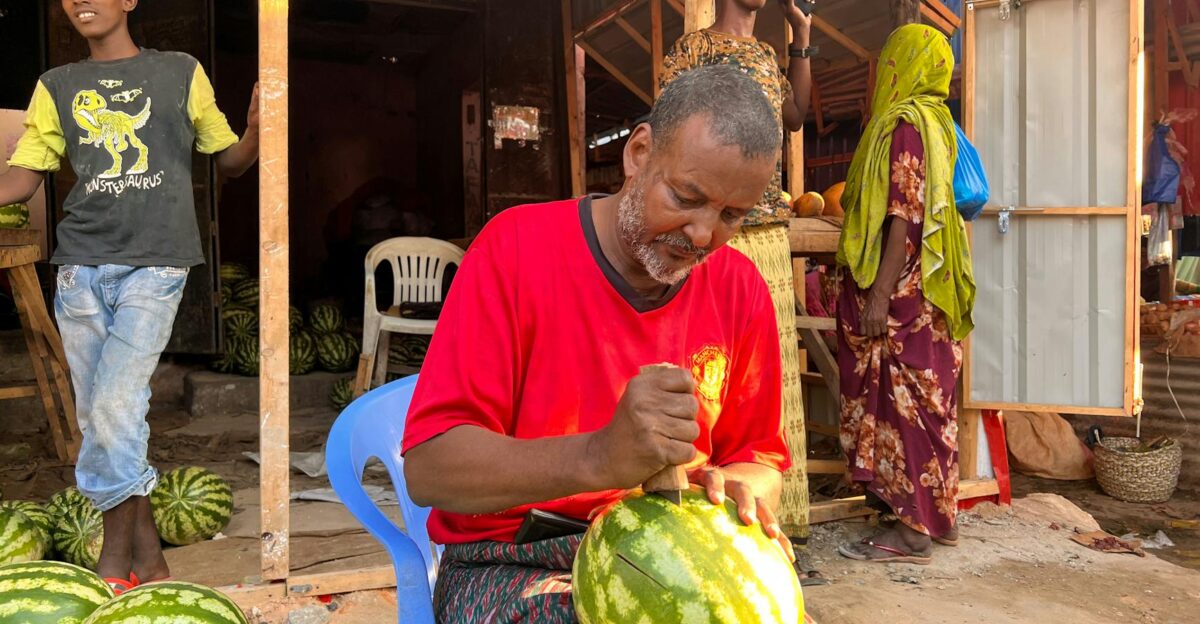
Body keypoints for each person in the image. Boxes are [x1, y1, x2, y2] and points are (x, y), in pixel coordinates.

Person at [402, 65, 792, 623]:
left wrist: (738, 489)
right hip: (510, 559)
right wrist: (599, 457)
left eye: (731, 215)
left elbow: (761, 461)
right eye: (686, 197)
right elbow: (431, 470)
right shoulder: (514, 250)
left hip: (677, 553)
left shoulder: (741, 290)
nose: (704, 234)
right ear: (637, 154)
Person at [0, 0, 259, 590]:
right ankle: (153, 557)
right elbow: (23, 178)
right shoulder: (57, 86)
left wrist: (256, 132)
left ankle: (113, 562)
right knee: (100, 417)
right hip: (79, 272)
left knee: (115, 408)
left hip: (156, 267)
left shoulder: (180, 71)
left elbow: (230, 164)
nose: (80, 1)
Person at [660, 0, 815, 544]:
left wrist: (802, 34)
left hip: (764, 222)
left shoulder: (770, 56)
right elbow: (669, 133)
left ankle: (774, 521)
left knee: (766, 378)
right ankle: (702, 517)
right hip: (713, 225)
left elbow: (795, 117)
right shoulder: (694, 49)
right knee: (710, 364)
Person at [834, 24, 975, 565]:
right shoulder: (941, 124)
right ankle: (940, 519)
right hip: (931, 297)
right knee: (931, 403)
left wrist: (877, 298)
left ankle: (913, 533)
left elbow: (904, 219)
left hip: (904, 300)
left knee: (905, 410)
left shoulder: (906, 125)